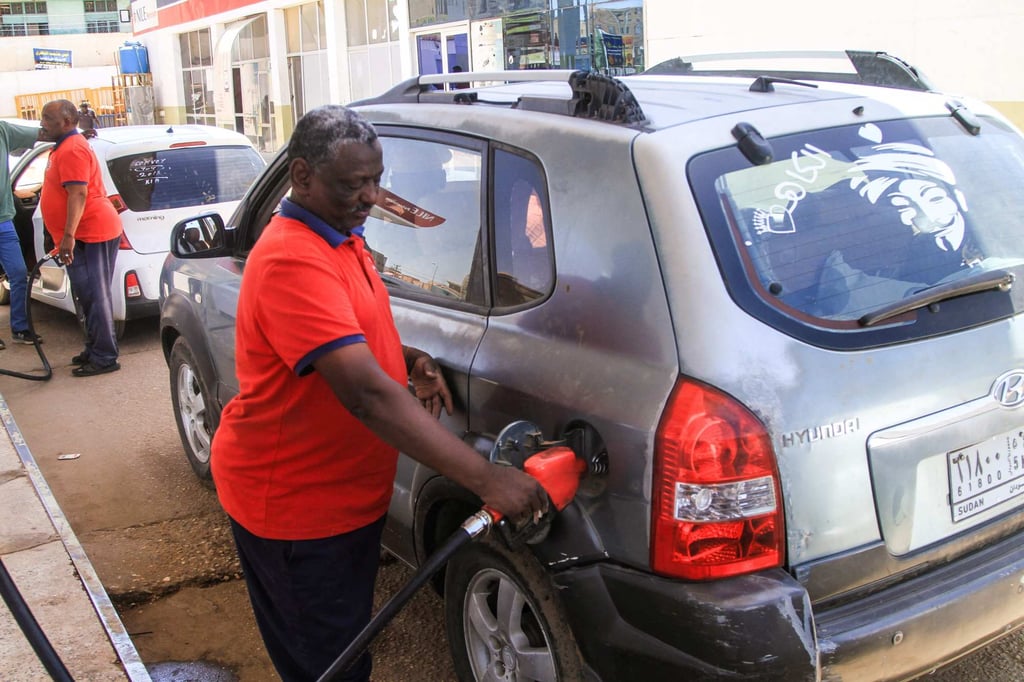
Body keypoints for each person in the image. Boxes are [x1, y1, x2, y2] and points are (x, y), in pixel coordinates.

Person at [210, 104, 547, 682]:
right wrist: (488, 480)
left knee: (346, 649)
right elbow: (364, 394)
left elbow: (355, 336)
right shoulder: (293, 257)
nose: (369, 196)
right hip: (297, 514)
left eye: (375, 179)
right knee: (329, 667)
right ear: (302, 176)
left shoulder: (343, 235)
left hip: (343, 504)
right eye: (352, 184)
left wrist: (408, 359)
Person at [38, 99, 122, 376]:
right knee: (86, 296)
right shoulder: (62, 148)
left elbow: (78, 193)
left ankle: (104, 358)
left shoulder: (72, 149)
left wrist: (68, 237)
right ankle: (95, 348)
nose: (43, 123)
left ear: (66, 122)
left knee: (96, 297)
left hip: (90, 232)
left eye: (48, 119)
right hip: (84, 233)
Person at [0, 119, 46, 349]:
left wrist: (73, 134)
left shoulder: (2, 130)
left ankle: (20, 328)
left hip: (3, 220)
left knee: (18, 274)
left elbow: (42, 133)